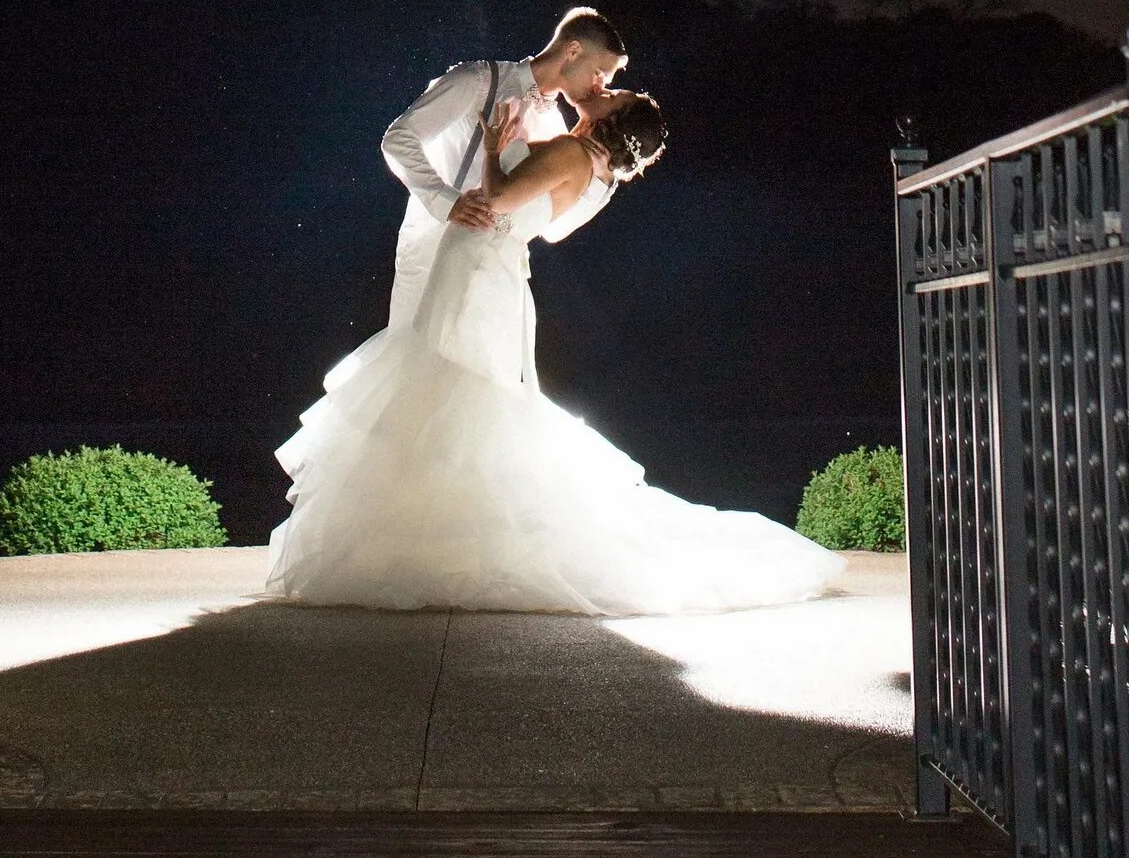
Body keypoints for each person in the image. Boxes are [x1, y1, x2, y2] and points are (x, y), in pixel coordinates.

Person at [265, 78, 843, 614]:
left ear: (612, 122)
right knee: (451, 393)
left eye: (613, 95)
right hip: (491, 268)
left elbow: (498, 197)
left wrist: (494, 146)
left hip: (478, 267)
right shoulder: (598, 174)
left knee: (455, 389)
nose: (603, 89)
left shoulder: (571, 154)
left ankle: (434, 544)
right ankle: (438, 539)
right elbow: (551, 228)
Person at [378, 8, 628, 336]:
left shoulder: (556, 131)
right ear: (572, 50)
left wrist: (600, 181)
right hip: (432, 248)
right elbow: (398, 139)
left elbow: (550, 229)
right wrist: (448, 201)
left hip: (491, 276)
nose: (600, 87)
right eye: (599, 73)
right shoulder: (479, 81)